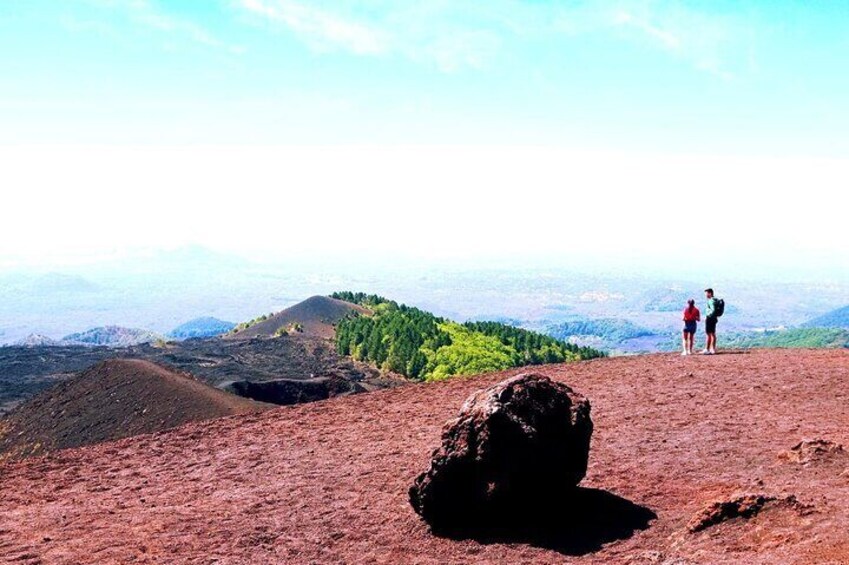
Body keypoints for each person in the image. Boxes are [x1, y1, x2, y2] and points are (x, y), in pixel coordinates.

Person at [703, 288, 718, 354]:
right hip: (714, 318)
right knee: (712, 333)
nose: (705, 295)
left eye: (706, 293)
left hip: (710, 318)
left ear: (710, 293)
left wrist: (709, 314)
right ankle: (713, 349)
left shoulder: (711, 301)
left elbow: (713, 310)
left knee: (709, 334)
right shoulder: (714, 300)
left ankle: (707, 349)